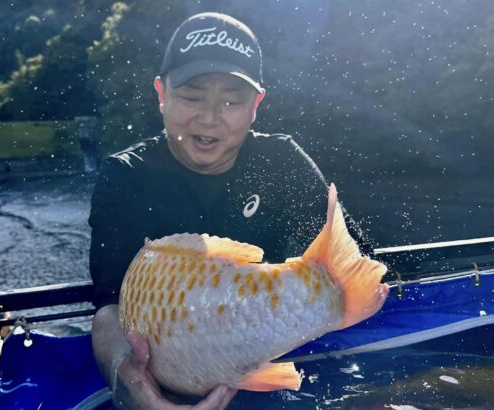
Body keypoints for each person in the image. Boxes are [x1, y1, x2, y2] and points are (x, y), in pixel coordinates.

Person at [89, 12, 371, 409]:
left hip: (269, 353)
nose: (208, 118)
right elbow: (109, 307)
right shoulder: (126, 177)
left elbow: (355, 266)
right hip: (168, 378)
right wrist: (132, 383)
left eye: (231, 101)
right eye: (191, 96)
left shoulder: (280, 162)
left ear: (255, 105)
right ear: (161, 94)